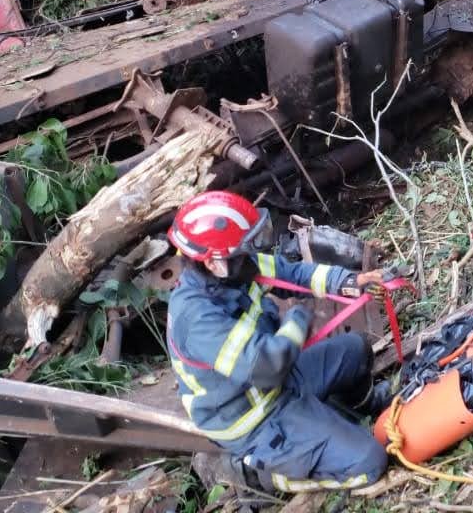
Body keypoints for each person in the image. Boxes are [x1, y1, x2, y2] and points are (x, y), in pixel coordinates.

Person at [165, 190, 394, 493]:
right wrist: (297, 320)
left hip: (280, 383)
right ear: (214, 263)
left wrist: (348, 281)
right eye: (243, 250)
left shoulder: (237, 270)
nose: (252, 256)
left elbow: (292, 274)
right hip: (254, 418)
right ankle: (259, 474)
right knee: (369, 462)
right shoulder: (197, 318)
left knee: (355, 350)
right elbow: (267, 367)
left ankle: (359, 409)